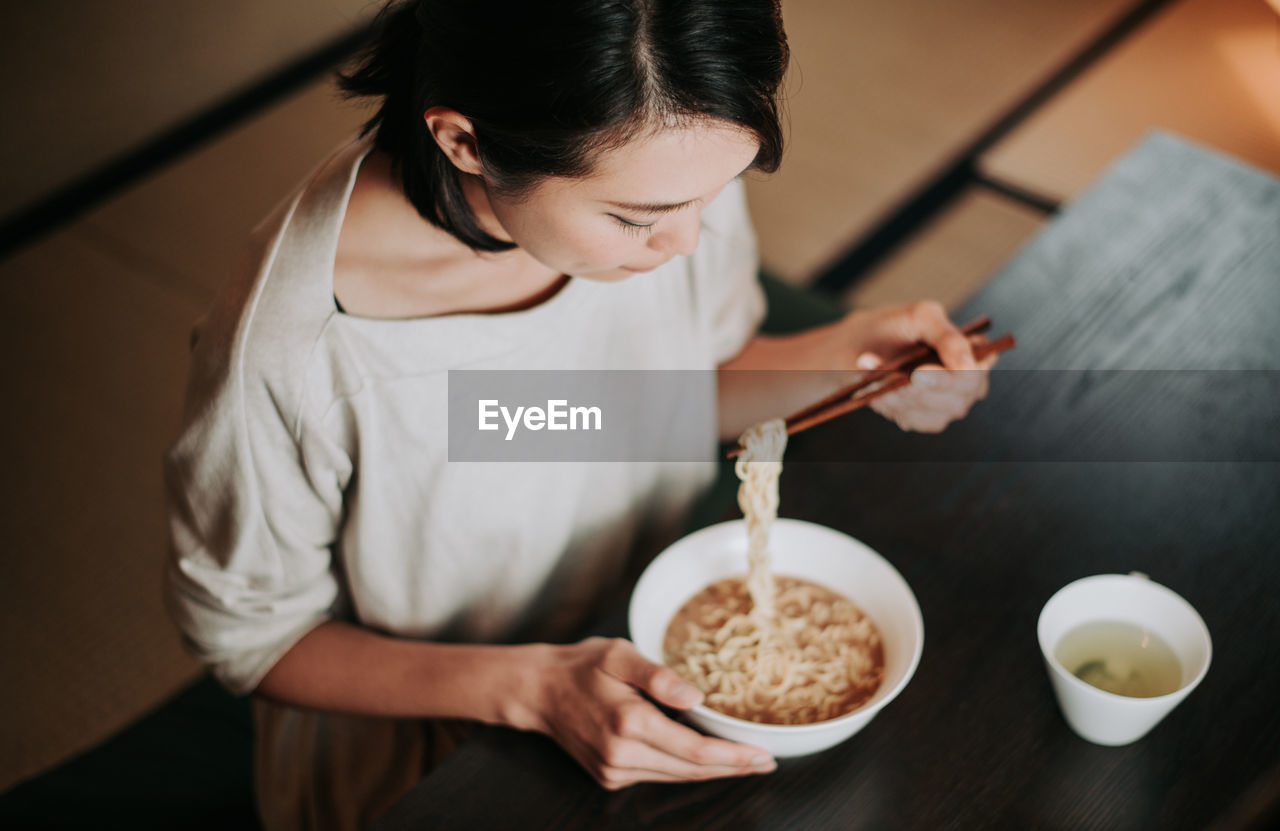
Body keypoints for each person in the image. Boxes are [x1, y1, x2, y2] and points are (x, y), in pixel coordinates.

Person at [163, 0, 995, 828]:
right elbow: (256, 639)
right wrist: (532, 687)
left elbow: (662, 400)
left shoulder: (672, 165)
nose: (686, 244)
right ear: (465, 141)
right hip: (437, 751)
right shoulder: (296, 349)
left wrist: (852, 358)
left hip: (642, 646)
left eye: (716, 195)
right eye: (637, 220)